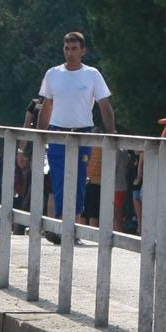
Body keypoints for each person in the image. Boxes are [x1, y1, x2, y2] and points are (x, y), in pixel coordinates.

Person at [36, 30, 116, 224]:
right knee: (59, 179)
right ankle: (62, 223)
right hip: (57, 133)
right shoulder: (53, 74)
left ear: (83, 51)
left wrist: (112, 132)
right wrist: (38, 135)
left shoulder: (92, 75)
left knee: (79, 180)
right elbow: (46, 106)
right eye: (66, 48)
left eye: (74, 48)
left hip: (83, 133)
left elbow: (104, 104)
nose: (69, 52)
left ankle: (74, 223)